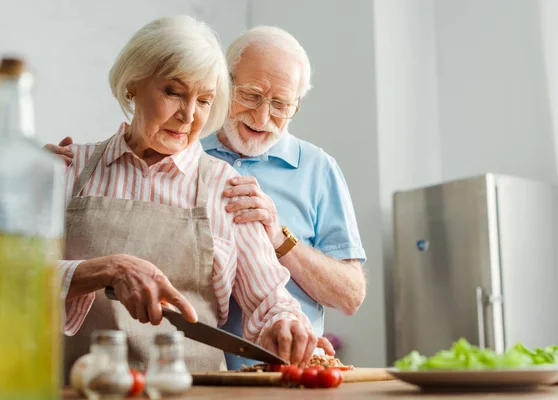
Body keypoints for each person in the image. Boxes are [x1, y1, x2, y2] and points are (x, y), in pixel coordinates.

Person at [48, 26, 366, 371]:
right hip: (75, 386)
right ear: (132, 85)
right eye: (173, 92)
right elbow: (14, 275)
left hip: (196, 388)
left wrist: (286, 323)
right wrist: (105, 270)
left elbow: (270, 297)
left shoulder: (224, 184)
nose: (188, 116)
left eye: (203, 100)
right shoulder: (65, 168)